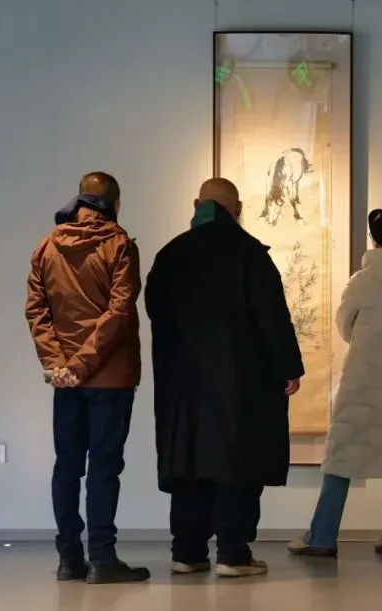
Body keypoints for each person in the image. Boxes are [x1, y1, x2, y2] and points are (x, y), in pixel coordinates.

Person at [145, 178, 304, 578]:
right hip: (241, 383)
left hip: (182, 384)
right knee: (237, 463)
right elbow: (272, 318)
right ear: (238, 210)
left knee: (188, 462)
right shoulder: (250, 255)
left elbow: (155, 313)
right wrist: (289, 367)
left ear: (196, 204)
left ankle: (187, 552)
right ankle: (233, 554)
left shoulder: (171, 254)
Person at [25, 172, 150, 584]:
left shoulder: (48, 244)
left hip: (66, 381)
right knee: (104, 468)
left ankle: (68, 558)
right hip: (109, 379)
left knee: (67, 466)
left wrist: (59, 363)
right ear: (115, 202)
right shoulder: (120, 245)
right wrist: (80, 364)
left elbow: (37, 310)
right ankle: (102, 559)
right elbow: (119, 312)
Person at [288, 209, 382, 558]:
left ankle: (322, 537)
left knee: (341, 458)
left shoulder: (363, 281)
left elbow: (344, 327)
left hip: (363, 383)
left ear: (375, 240)